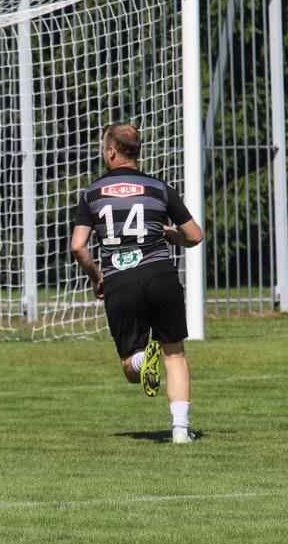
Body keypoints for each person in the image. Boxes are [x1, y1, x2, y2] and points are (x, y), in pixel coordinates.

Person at [68, 122, 204, 444]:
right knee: (174, 355)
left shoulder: (93, 193)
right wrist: (172, 236)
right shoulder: (159, 188)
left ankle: (142, 359)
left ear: (112, 151)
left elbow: (78, 246)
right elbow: (195, 236)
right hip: (160, 276)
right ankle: (181, 431)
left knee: (130, 366)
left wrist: (96, 277)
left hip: (119, 280)